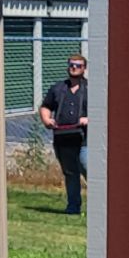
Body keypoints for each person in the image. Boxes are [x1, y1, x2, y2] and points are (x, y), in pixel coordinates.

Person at [38, 55, 89, 215]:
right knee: (70, 173)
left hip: (85, 140)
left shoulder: (91, 88)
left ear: (84, 69)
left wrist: (89, 118)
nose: (74, 68)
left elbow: (105, 109)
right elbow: (46, 106)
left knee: (90, 172)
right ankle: (73, 207)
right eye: (72, 65)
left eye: (78, 66)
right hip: (62, 138)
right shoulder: (58, 88)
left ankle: (102, 208)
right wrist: (46, 120)